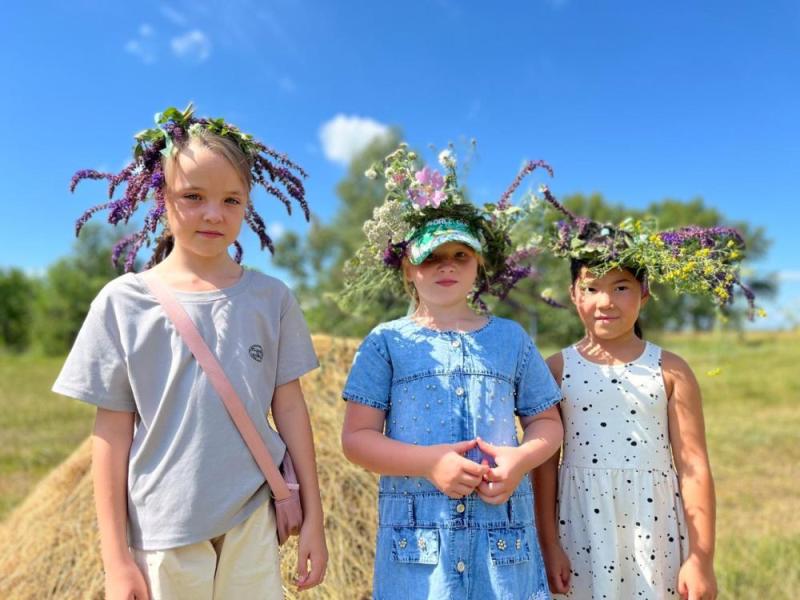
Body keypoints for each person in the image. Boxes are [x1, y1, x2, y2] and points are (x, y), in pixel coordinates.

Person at [53, 104, 327, 600]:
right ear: (161, 196)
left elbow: (290, 408)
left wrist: (315, 520)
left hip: (254, 520)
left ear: (248, 206)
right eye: (193, 196)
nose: (213, 214)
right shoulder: (123, 302)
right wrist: (116, 561)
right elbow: (111, 433)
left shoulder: (273, 299)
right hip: (163, 533)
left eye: (231, 200)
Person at [339, 145, 563, 599]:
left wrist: (520, 460)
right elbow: (356, 439)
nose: (446, 265)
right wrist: (430, 463)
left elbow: (547, 421)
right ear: (407, 266)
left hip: (501, 543)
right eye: (431, 256)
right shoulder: (386, 342)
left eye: (461, 255)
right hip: (419, 555)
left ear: (479, 265)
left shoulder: (512, 339)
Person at [531, 190, 756, 599]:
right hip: (579, 526)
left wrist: (700, 559)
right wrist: (549, 547)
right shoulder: (555, 370)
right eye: (592, 288)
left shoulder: (671, 370)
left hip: (656, 529)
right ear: (573, 294)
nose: (606, 302)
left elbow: (694, 468)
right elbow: (544, 468)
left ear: (644, 294)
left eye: (621, 287)